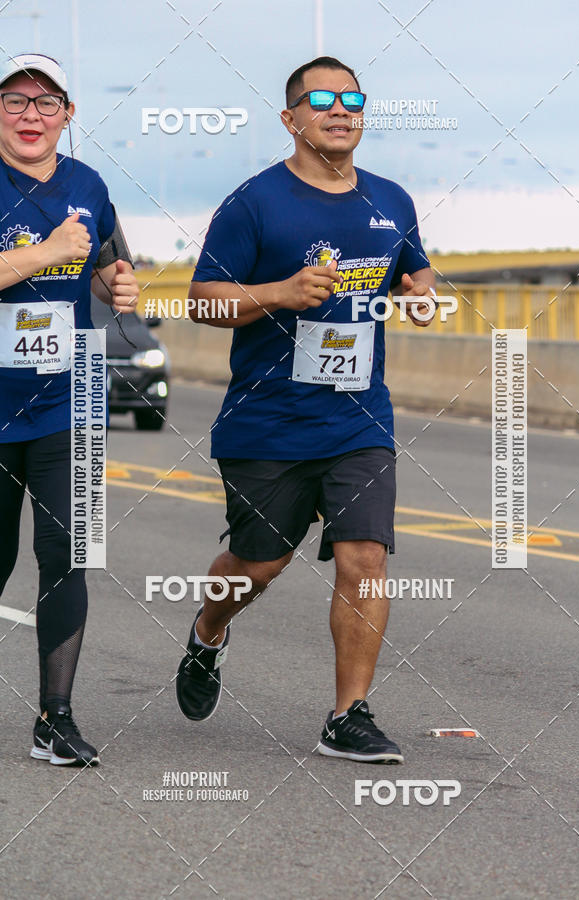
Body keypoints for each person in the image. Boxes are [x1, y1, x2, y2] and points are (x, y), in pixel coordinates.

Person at [175, 56, 436, 763]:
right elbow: (203, 300)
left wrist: (419, 293)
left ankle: (347, 714)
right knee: (258, 567)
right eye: (321, 99)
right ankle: (207, 632)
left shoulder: (390, 199)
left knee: (365, 557)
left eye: (353, 97)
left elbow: (415, 267)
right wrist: (282, 293)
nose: (341, 108)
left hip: (359, 419)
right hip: (267, 422)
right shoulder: (254, 202)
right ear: (291, 119)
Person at [0, 53, 139, 766]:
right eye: (17, 101)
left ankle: (55, 720)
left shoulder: (87, 184)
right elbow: (57, 250)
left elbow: (112, 250)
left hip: (68, 402)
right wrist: (46, 251)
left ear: (67, 115)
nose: (31, 115)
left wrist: (122, 281)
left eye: (46, 102)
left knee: (67, 557)